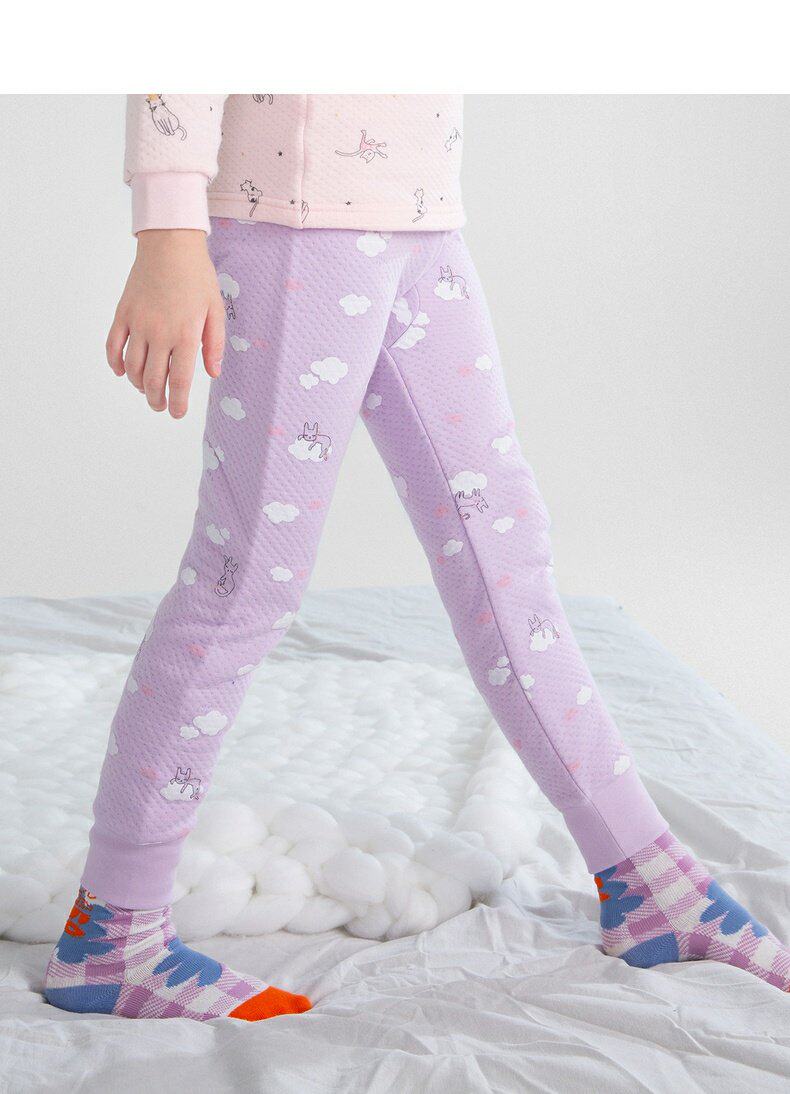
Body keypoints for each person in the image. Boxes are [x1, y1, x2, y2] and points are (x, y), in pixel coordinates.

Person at [44, 94, 790, 1022]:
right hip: (291, 229)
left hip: (422, 223)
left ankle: (649, 879)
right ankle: (113, 935)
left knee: (506, 557)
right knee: (245, 580)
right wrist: (168, 233)